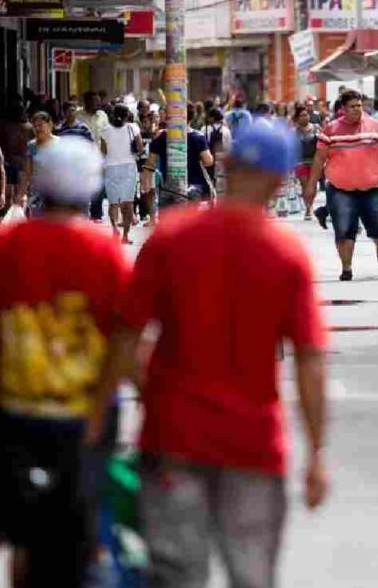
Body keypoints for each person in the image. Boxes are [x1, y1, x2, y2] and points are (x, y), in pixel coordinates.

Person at [111, 120, 328, 588]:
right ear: (282, 178)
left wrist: (146, 395)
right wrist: (316, 454)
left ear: (226, 165)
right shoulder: (286, 253)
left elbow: (125, 337)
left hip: (172, 440)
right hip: (252, 447)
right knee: (251, 577)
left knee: (175, 576)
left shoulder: (170, 238)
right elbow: (310, 359)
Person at [0, 137, 130, 588]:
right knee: (83, 523)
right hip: (86, 416)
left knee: (25, 535)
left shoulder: (4, 244)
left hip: (15, 410)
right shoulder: (106, 251)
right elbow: (125, 339)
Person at [304, 91, 378, 281]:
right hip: (340, 190)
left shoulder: (376, 127)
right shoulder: (330, 130)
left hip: (374, 188)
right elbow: (319, 158)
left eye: (359, 106)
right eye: (353, 106)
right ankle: (346, 268)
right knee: (344, 229)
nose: (357, 109)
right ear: (343, 109)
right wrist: (311, 185)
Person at [101, 104, 144, 244]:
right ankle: (125, 236)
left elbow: (104, 151)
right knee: (128, 203)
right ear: (127, 116)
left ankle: (114, 228)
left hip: (111, 167)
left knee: (113, 203)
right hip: (129, 168)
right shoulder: (133, 128)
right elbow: (140, 148)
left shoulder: (105, 130)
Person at [18, 111, 61, 216]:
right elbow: (27, 173)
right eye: (35, 126)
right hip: (37, 195)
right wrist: (21, 194)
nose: (37, 129)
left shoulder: (60, 143)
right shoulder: (32, 145)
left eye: (40, 125)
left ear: (49, 124)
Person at [0, 102, 33, 214]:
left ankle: (11, 218)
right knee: (22, 195)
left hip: (9, 162)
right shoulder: (29, 128)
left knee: (9, 197)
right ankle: (22, 217)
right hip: (23, 164)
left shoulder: (4, 127)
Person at [80, 92, 111, 221]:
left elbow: (106, 137)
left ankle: (96, 214)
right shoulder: (78, 116)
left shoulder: (103, 116)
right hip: (81, 158)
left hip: (98, 156)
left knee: (98, 186)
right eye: (95, 101)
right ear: (87, 102)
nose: (98, 104)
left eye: (99, 101)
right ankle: (81, 213)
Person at [292, 104, 321, 220]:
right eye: (302, 116)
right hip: (300, 162)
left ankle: (311, 204)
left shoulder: (316, 128)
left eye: (306, 115)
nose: (305, 117)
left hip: (315, 161)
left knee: (312, 185)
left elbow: (324, 143)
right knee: (305, 185)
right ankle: (308, 208)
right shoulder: (294, 131)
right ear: (297, 118)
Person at [201, 107, 232, 196]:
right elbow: (229, 148)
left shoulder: (204, 129)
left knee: (209, 183)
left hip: (208, 160)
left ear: (211, 118)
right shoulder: (226, 131)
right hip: (221, 162)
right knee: (220, 188)